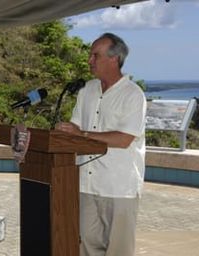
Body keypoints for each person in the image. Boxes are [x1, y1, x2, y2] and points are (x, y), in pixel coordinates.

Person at [55, 33, 146, 256]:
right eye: (90, 55)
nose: (89, 60)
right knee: (86, 247)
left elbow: (124, 139)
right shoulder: (86, 91)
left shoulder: (133, 95)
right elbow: (74, 131)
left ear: (114, 59)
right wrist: (63, 132)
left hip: (119, 187)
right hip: (86, 184)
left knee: (118, 251)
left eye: (95, 55)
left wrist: (82, 133)